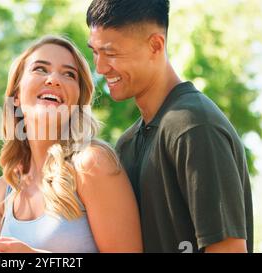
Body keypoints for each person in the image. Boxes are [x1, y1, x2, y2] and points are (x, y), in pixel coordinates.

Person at [0, 35, 142, 253]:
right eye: (40, 69)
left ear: (77, 101)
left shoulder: (91, 164)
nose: (54, 79)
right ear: (16, 95)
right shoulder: (2, 192)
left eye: (68, 74)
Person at [86, 0, 253, 253]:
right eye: (95, 52)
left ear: (156, 45)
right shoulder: (127, 143)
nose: (99, 67)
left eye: (111, 53)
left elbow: (228, 249)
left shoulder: (194, 125)